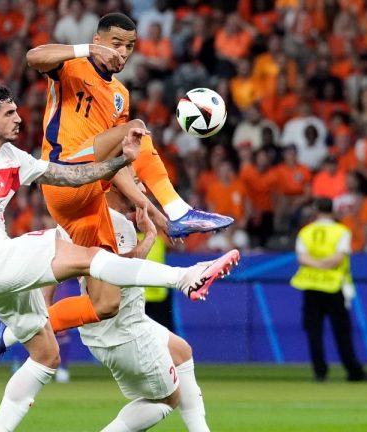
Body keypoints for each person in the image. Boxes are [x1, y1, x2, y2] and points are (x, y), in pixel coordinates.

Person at [0, 85, 239, 431]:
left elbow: (73, 175)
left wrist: (120, 160)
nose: (19, 118)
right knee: (87, 255)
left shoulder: (13, 159)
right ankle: (186, 276)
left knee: (46, 356)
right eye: (9, 113)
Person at [23, 12, 234, 346]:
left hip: (90, 193)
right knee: (135, 129)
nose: (122, 52)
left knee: (106, 303)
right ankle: (179, 209)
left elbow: (121, 162)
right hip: (62, 171)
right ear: (97, 41)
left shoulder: (119, 93)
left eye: (130, 46)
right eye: (116, 43)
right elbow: (34, 57)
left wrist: (151, 213)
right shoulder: (72, 66)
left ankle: (14, 328)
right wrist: (84, 51)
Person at [0, 175, 215, 430]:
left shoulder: (78, 217)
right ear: (116, 185)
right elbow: (120, 272)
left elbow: (53, 258)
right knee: (168, 399)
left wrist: (46, 305)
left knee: (182, 352)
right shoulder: (118, 225)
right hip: (123, 331)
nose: (141, 188)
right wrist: (150, 235)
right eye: (136, 182)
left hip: (109, 324)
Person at [290, 197, 367, 383]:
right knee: (342, 332)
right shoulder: (341, 231)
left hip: (311, 285)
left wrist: (316, 265)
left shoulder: (306, 231)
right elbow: (339, 258)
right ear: (332, 210)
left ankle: (320, 372)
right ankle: (353, 370)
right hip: (334, 286)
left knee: (314, 331)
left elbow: (302, 258)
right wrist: (325, 265)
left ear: (315, 209)